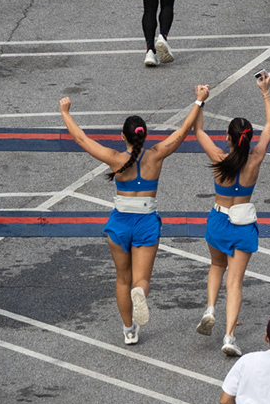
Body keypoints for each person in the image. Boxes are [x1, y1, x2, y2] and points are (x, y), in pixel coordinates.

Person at [59, 90, 208, 345]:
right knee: (141, 280)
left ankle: (129, 330)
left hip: (120, 224)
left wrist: (65, 112)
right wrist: (199, 100)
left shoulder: (115, 159)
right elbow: (183, 130)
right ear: (145, 135)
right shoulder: (157, 155)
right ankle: (140, 293)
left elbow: (82, 139)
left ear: (122, 137)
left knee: (121, 278)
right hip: (146, 224)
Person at [194, 71, 270, 356]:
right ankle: (229, 337)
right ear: (247, 139)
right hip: (242, 225)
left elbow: (198, 131)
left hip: (218, 220)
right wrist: (265, 92)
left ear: (228, 138)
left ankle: (210, 308)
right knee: (236, 282)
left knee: (217, 266)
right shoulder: (255, 160)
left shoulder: (219, 159)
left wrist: (200, 100)